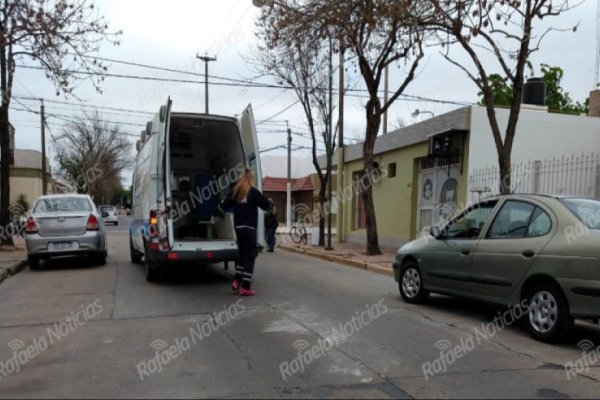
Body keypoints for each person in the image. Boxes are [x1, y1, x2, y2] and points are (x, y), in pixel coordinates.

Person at [212, 169, 273, 296]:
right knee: (250, 257)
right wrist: (271, 205)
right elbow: (266, 205)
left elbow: (224, 204)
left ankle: (236, 282)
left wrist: (215, 214)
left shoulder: (236, 192)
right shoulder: (253, 192)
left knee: (242, 256)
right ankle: (245, 287)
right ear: (251, 178)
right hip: (249, 229)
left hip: (238, 229)